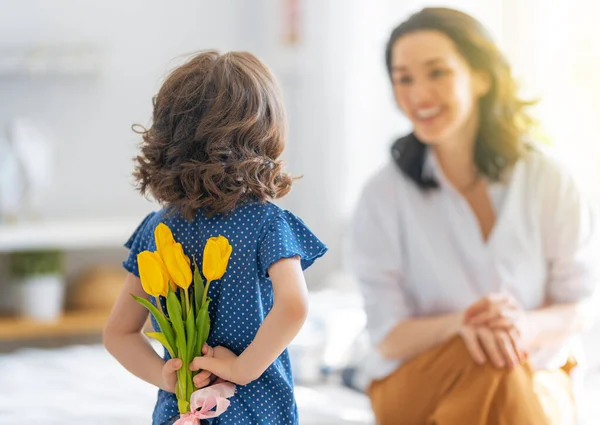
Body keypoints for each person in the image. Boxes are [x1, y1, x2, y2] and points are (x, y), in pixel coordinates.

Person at [350, 7, 599, 425]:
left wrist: (520, 325)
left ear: (481, 77)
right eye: (403, 78)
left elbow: (579, 308)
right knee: (488, 359)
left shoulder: (548, 180)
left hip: (536, 371)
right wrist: (462, 326)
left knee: (500, 364)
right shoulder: (383, 194)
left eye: (437, 72)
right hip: (416, 380)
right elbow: (388, 336)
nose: (418, 93)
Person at [103, 50, 327, 425]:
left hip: (182, 410)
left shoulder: (160, 228)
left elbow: (118, 333)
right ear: (265, 134)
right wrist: (242, 369)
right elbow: (294, 306)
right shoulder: (268, 224)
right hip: (258, 408)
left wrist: (164, 378)